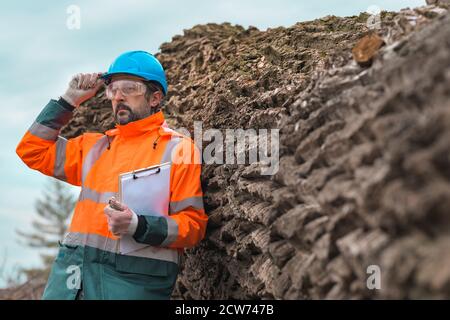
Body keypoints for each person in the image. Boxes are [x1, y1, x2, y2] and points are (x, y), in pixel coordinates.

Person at [16, 50, 208, 300]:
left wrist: (139, 225)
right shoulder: (95, 147)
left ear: (155, 97)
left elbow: (193, 227)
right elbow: (32, 150)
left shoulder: (178, 150)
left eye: (129, 88)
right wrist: (67, 101)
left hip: (130, 286)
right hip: (69, 284)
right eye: (113, 88)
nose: (118, 96)